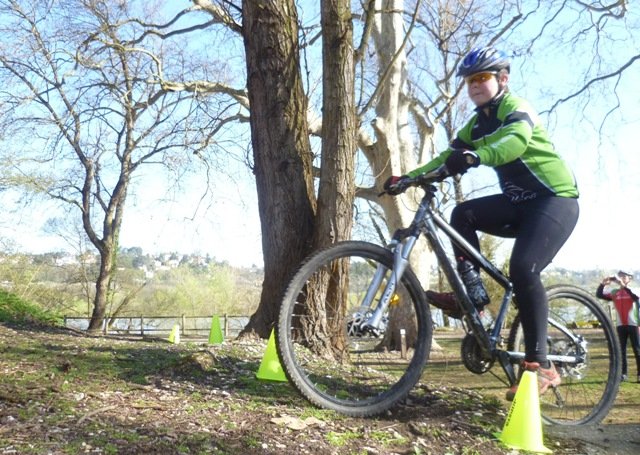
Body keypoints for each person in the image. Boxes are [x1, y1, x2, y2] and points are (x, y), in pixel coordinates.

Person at [384, 46, 579, 399]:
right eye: (470, 80)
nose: (474, 85)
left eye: (482, 78)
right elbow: (447, 156)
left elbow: (513, 144)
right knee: (463, 214)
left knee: (523, 268)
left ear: (502, 79)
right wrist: (408, 178)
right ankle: (472, 298)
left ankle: (543, 366)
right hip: (518, 204)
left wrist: (476, 156)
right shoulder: (476, 123)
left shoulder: (516, 108)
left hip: (555, 200)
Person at [596, 271, 640, 383]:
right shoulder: (615, 292)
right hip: (621, 325)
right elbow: (599, 295)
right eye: (620, 276)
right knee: (621, 351)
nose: (622, 278)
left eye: (624, 276)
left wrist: (623, 285)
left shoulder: (635, 290)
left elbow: (635, 297)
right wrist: (603, 284)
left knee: (637, 350)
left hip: (634, 324)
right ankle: (623, 374)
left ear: (629, 279)